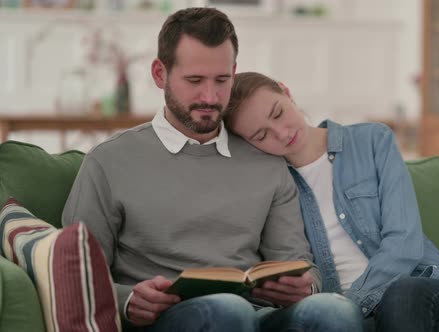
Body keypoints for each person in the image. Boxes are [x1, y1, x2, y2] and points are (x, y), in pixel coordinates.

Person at [62, 8, 363, 332]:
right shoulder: (109, 162)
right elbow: (75, 274)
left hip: (257, 317)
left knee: (335, 311)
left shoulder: (266, 162)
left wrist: (307, 285)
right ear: (160, 74)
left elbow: (298, 262)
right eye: (194, 81)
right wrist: (128, 299)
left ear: (234, 73)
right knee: (228, 310)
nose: (210, 96)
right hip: (166, 322)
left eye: (222, 81)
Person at [225, 72, 439, 332]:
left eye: (278, 113)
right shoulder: (273, 187)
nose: (281, 133)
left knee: (403, 294)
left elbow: (404, 241)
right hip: (363, 321)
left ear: (286, 92)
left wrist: (352, 304)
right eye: (261, 136)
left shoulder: (373, 140)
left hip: (426, 291)